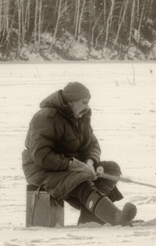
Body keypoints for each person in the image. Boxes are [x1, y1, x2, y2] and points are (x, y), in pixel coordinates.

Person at [22, 82, 137, 226]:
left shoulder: (81, 115)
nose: (87, 107)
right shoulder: (45, 117)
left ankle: (92, 217)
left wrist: (89, 162)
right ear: (70, 102)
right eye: (84, 102)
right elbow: (41, 155)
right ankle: (114, 217)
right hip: (41, 169)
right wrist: (73, 165)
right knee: (81, 178)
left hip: (74, 166)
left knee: (112, 169)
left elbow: (92, 144)